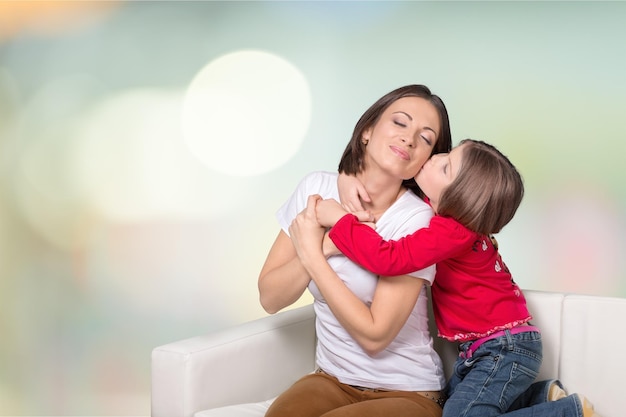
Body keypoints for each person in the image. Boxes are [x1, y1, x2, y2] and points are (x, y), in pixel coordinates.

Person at [309, 139, 601, 417]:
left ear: (459, 198)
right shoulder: (438, 211)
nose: (435, 158)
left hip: (503, 349)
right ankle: (542, 397)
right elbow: (388, 177)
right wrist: (347, 179)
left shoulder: (452, 232)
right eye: (446, 155)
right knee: (458, 405)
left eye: (446, 166)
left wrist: (340, 219)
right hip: (490, 348)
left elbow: (389, 258)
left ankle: (568, 411)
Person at [258, 84, 452, 417]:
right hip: (330, 381)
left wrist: (316, 251)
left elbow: (376, 336)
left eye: (425, 138)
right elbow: (270, 297)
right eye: (400, 123)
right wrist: (328, 245)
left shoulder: (417, 221)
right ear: (367, 131)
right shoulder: (316, 189)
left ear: (424, 162)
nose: (409, 138)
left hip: (408, 393)